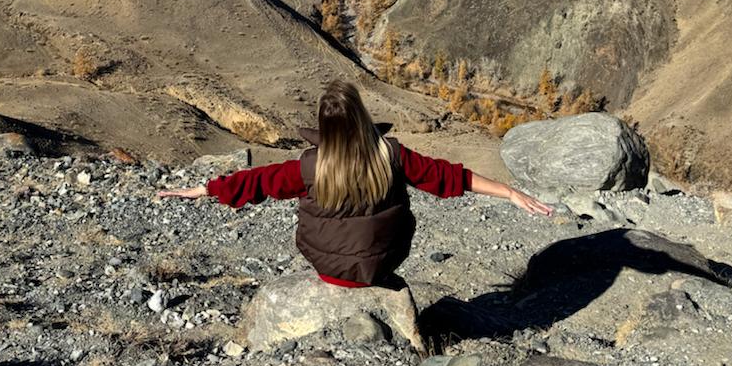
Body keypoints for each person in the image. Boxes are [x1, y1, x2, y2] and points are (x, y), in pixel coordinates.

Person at [157, 79, 552, 287]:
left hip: (326, 267)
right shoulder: (392, 156)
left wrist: (205, 189)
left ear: (324, 127)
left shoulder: (310, 166)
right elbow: (450, 177)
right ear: (363, 118)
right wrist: (509, 192)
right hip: (382, 266)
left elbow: (257, 182)